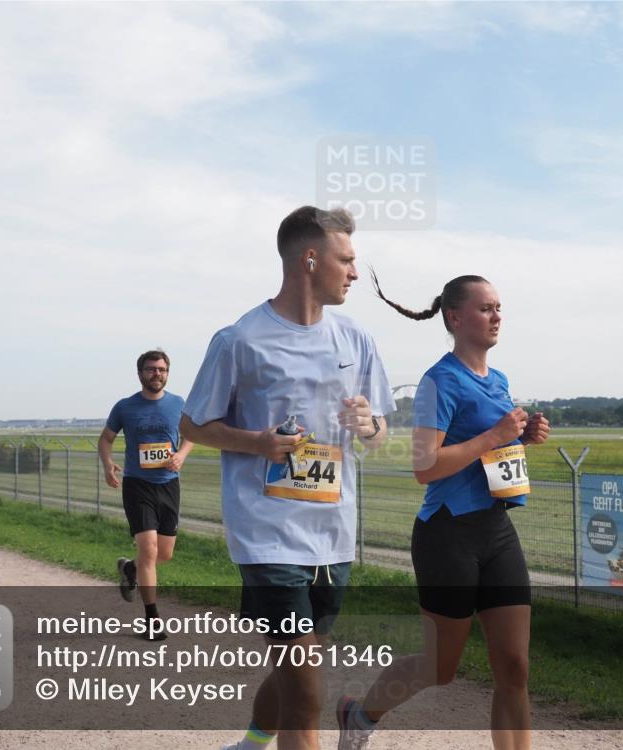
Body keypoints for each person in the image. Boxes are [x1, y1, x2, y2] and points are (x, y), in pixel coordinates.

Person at [180, 206, 395, 750]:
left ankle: (251, 745)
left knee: (297, 669)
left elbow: (379, 433)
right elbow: (193, 424)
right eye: (346, 260)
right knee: (306, 695)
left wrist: (369, 425)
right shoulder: (240, 340)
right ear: (310, 260)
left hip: (333, 533)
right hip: (267, 534)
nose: (354, 272)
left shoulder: (356, 339)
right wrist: (257, 442)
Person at [335, 274, 550, 750]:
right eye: (486, 308)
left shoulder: (498, 380)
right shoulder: (439, 381)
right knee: (440, 667)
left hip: (497, 530)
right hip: (447, 536)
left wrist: (522, 437)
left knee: (514, 667)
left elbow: (491, 453)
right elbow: (426, 466)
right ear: (454, 317)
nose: (497, 316)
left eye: (499, 307)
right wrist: (495, 436)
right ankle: (359, 715)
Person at [98, 349, 195, 641]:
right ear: (140, 373)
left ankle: (130, 568)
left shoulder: (178, 404)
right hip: (137, 485)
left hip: (169, 485)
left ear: (167, 373)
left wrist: (181, 455)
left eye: (162, 369)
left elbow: (192, 434)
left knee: (164, 554)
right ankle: (152, 620)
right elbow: (106, 439)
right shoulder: (125, 407)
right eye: (151, 369)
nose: (157, 374)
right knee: (149, 550)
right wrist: (107, 464)